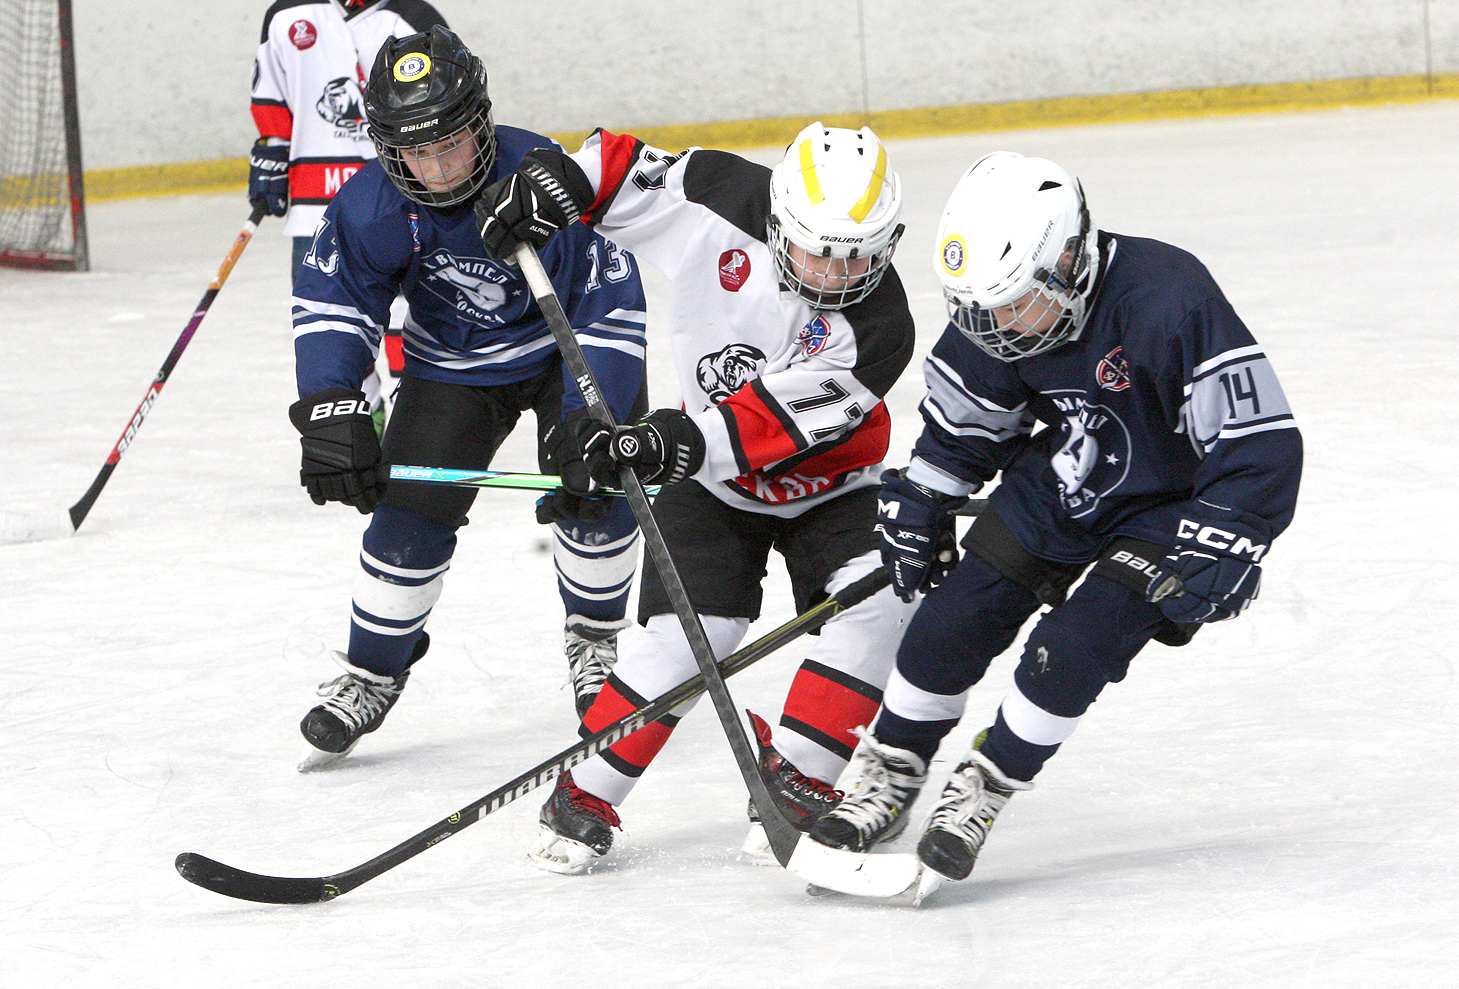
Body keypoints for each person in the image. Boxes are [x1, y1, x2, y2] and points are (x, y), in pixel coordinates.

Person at [806, 151, 1303, 886]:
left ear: (1071, 259)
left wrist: (1233, 531)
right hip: (1068, 476)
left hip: (1172, 506)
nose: (999, 327)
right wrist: (926, 494)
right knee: (949, 623)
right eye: (984, 311)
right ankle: (893, 768)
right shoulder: (998, 308)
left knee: (1074, 648)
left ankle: (988, 783)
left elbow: (1256, 437)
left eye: (1015, 305)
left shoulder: (1169, 298)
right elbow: (972, 418)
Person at [475, 121, 918, 873]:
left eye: (858, 257)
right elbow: (620, 168)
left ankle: (797, 780)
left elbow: (768, 425)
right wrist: (562, 183)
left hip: (834, 488)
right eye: (817, 251)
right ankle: (583, 793)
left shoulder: (881, 329)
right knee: (693, 634)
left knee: (883, 602)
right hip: (714, 490)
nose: (835, 274)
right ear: (777, 219)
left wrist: (666, 441)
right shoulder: (721, 195)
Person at [287, 26, 649, 771]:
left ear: (481, 122)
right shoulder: (370, 206)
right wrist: (331, 405)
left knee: (598, 494)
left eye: (451, 143)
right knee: (405, 520)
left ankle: (595, 642)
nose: (437, 167)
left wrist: (594, 417)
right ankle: (372, 673)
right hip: (450, 367)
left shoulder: (546, 179)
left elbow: (610, 305)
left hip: (566, 354)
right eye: (415, 151)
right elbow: (335, 305)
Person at [250, 0, 445, 429]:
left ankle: (413, 434)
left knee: (408, 332)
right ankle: (362, 434)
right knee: (334, 334)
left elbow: (447, 111)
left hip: (398, 206)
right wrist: (271, 149)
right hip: (312, 209)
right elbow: (272, 96)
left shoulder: (415, 18)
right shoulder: (286, 15)